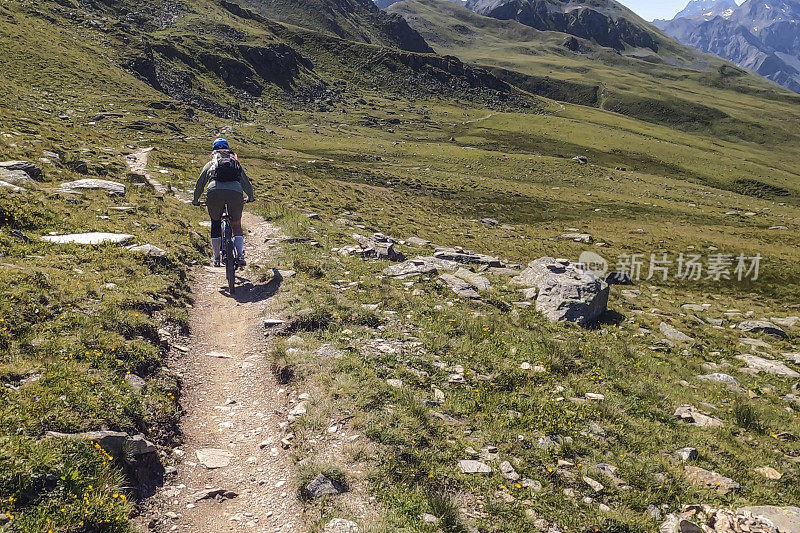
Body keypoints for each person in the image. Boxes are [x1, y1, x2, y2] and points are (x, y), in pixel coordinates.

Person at [192, 138, 254, 267]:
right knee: (236, 225)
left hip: (214, 191)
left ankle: (216, 258)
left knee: (215, 223)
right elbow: (246, 183)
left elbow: (200, 183)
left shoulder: (211, 163)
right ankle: (240, 255)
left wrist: (196, 200)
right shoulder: (235, 163)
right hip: (235, 193)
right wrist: (250, 197)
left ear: (214, 151)